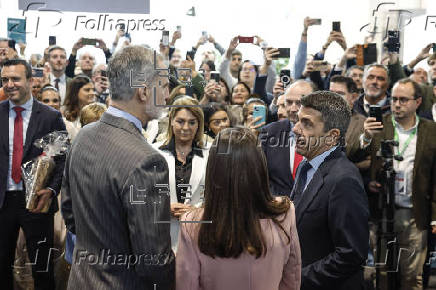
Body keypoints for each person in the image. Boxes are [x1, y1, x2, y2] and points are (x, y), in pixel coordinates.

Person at [61, 45, 174, 290]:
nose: (168, 95)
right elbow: (153, 261)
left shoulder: (84, 136)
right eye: (164, 85)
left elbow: (70, 214)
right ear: (144, 92)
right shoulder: (148, 161)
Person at [176, 127, 301, 290]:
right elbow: (291, 277)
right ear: (259, 166)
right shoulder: (284, 212)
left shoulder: (192, 223)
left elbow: (187, 284)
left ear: (214, 169)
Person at [358, 78, 436, 290]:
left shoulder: (431, 131)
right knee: (383, 273)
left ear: (417, 102)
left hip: (415, 213)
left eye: (403, 99)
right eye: (394, 99)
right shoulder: (378, 125)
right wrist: (365, 137)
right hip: (382, 211)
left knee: (412, 274)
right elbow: (353, 155)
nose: (397, 104)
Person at [290, 91, 369, 289]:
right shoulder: (304, 166)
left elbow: (351, 255)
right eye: (298, 120)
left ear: (332, 136)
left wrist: (296, 279)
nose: (295, 129)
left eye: (306, 123)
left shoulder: (344, 180)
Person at [0, 58, 66, 290]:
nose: (9, 84)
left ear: (30, 80)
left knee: (43, 270)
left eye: (15, 79)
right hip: (2, 202)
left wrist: (50, 190)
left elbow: (61, 160)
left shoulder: (50, 117)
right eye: (5, 79)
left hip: (37, 202)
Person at [154, 96, 209, 252]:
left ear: (199, 125)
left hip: (198, 236)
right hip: (161, 236)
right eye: (180, 121)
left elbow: (217, 195)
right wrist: (164, 207)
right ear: (171, 121)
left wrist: (198, 211)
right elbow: (144, 193)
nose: (186, 127)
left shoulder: (210, 153)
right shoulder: (153, 152)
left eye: (192, 122)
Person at [259, 80, 315, 196]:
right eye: (289, 102)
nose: (293, 109)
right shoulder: (269, 132)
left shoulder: (328, 134)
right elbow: (259, 176)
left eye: (299, 103)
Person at [62, 75, 96, 140]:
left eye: (93, 90)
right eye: (87, 90)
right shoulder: (63, 112)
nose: (92, 93)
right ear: (76, 91)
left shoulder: (97, 112)